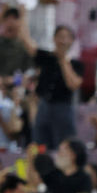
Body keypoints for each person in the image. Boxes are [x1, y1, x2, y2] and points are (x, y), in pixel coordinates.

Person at [20, 18, 84, 150]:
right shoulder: (46, 58)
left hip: (63, 107)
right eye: (60, 36)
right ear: (54, 39)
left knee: (65, 146)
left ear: (72, 41)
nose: (63, 40)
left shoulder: (76, 64)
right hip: (43, 106)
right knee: (40, 146)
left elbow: (73, 84)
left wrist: (62, 60)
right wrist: (23, 12)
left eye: (67, 37)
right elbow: (26, 42)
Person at [0, 7, 33, 77]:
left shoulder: (25, 47)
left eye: (14, 19)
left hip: (15, 85)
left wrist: (13, 81)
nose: (10, 22)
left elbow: (29, 72)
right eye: (7, 19)